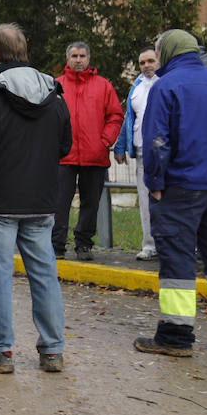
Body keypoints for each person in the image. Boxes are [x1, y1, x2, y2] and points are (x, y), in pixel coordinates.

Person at [0, 24, 72, 373]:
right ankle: (52, 350)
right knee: (44, 274)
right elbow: (65, 146)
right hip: (41, 199)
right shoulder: (54, 93)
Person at [134, 29, 207, 358]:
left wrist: (155, 183)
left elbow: (157, 141)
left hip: (180, 186)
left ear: (168, 52)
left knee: (177, 258)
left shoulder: (166, 87)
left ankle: (175, 335)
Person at [53, 42, 124, 261]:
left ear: (89, 58)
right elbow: (47, 116)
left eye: (82, 55)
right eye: (74, 55)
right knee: (59, 202)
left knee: (90, 203)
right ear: (67, 59)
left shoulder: (103, 86)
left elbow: (115, 116)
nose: (78, 59)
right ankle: (56, 245)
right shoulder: (56, 85)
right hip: (63, 156)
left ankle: (84, 245)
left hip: (95, 155)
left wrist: (104, 141)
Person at [113, 47, 161, 261]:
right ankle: (149, 245)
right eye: (142, 62)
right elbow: (129, 119)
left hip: (164, 154)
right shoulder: (137, 87)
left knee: (168, 201)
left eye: (151, 61)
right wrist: (120, 146)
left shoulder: (165, 83)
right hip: (142, 153)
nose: (147, 66)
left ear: (158, 61)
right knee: (145, 201)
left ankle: (172, 244)